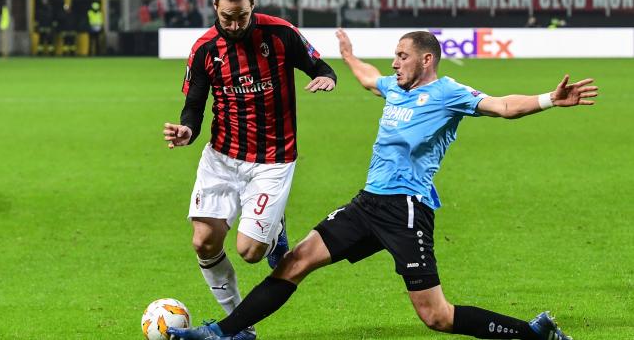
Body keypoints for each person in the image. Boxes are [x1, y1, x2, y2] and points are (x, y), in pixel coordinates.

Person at [167, 28, 598, 340]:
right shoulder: (395, 87)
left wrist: (548, 100)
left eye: (402, 55)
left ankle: (533, 333)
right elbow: (369, 77)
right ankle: (220, 333)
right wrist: (349, 56)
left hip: (406, 210)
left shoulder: (449, 93)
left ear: (426, 59)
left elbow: (503, 106)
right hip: (367, 204)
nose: (395, 63)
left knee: (436, 317)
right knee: (294, 263)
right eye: (394, 56)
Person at [162, 0, 337, 339]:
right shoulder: (204, 49)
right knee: (203, 242)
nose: (235, 25)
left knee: (251, 252)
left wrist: (327, 78)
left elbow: (320, 66)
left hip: (273, 160)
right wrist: (187, 131)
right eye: (227, 17)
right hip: (222, 158)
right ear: (215, 7)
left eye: (241, 16)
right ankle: (240, 327)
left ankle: (274, 232)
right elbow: (194, 106)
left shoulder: (281, 34)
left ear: (252, 6)